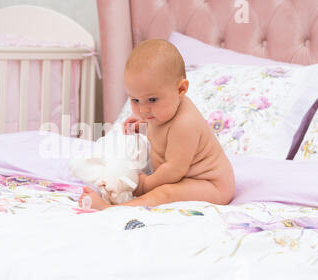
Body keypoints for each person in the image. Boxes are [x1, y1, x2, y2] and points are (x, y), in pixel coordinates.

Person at [79, 39, 235, 210]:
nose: (143, 110)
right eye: (135, 100)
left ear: (180, 90)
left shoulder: (185, 124)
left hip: (211, 185)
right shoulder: (163, 112)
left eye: (152, 99)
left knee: (165, 193)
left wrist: (143, 185)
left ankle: (113, 210)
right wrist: (142, 126)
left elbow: (174, 170)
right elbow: (162, 134)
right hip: (184, 177)